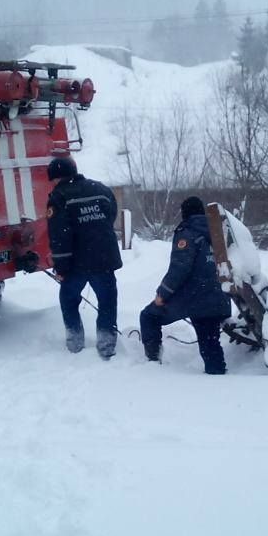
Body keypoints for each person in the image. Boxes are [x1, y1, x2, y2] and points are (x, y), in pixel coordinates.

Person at [140, 196, 230, 375]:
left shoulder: (187, 232)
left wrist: (162, 294)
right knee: (209, 340)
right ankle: (218, 377)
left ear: (184, 214)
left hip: (195, 297)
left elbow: (180, 269)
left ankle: (152, 363)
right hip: (219, 297)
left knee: (149, 316)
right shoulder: (218, 231)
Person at [46, 155, 122, 359]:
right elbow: (111, 215)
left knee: (69, 299)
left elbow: (59, 236)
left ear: (55, 178)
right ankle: (106, 343)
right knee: (107, 299)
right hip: (104, 258)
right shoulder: (101, 189)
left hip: (76, 263)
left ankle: (75, 341)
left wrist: (61, 268)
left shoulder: (58, 197)